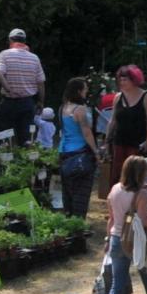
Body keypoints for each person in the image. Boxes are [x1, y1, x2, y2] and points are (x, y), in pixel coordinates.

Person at [105, 154, 147, 294]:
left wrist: (107, 240)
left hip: (116, 238)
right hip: (136, 241)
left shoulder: (115, 189)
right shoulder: (141, 194)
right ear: (140, 173)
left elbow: (111, 219)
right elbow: (144, 221)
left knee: (117, 285)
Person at [56, 77, 100, 218]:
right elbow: (86, 133)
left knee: (68, 191)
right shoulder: (80, 109)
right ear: (79, 91)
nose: (86, 92)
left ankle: (69, 218)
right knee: (81, 192)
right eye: (85, 89)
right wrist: (96, 152)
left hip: (64, 152)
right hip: (80, 152)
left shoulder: (62, 108)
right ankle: (78, 221)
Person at [0, 28, 45, 143]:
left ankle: (7, 153)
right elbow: (40, 82)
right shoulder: (34, 58)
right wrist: (41, 102)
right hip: (27, 102)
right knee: (26, 137)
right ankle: (25, 153)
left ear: (10, 40)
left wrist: (8, 89)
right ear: (24, 41)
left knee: (5, 137)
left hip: (9, 101)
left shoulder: (4, 54)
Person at [106, 65, 147, 177]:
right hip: (119, 141)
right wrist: (107, 140)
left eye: (125, 80)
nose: (122, 82)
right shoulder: (118, 97)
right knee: (118, 172)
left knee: (134, 173)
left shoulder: (145, 97)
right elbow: (113, 120)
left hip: (137, 142)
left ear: (134, 80)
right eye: (121, 80)